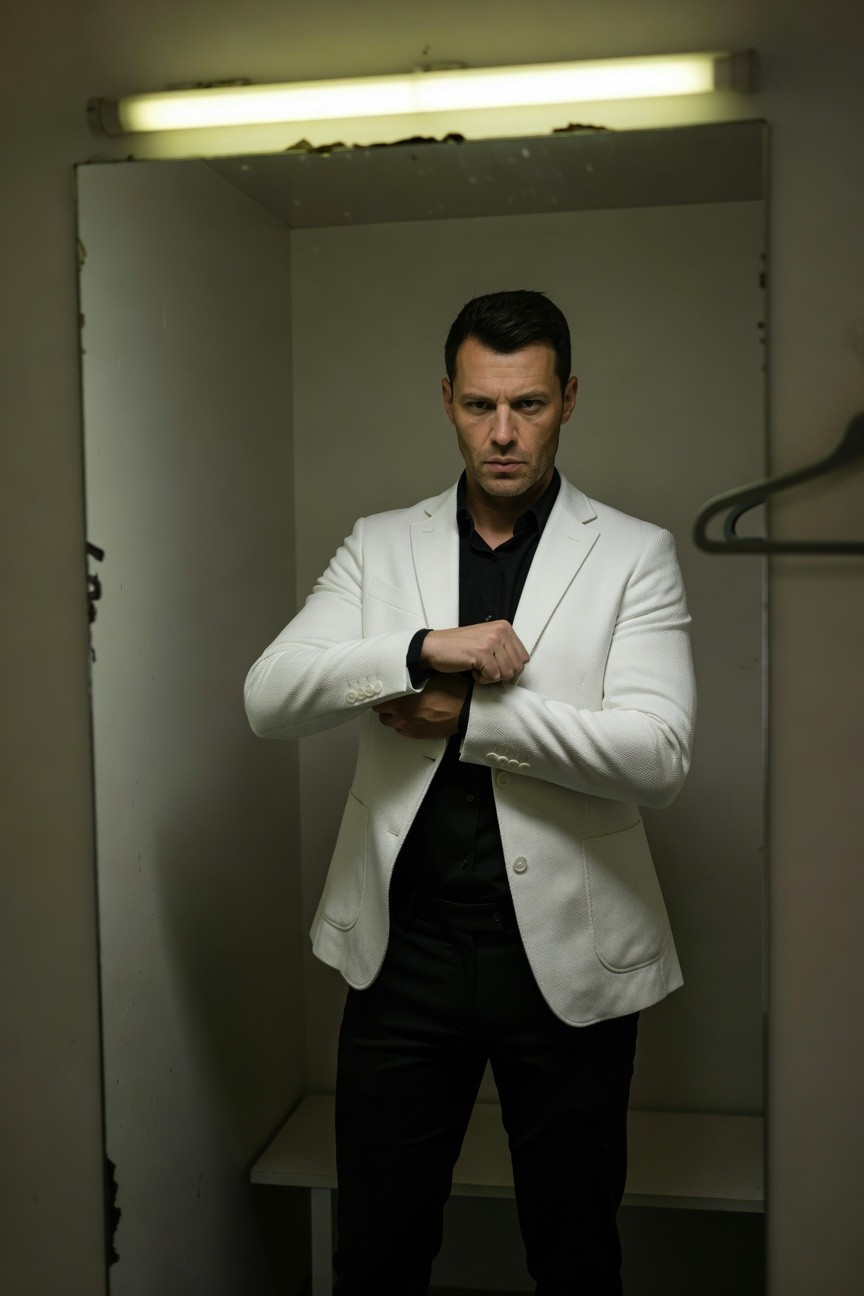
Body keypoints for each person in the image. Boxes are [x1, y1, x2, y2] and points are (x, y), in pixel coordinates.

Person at [244, 290, 696, 1295]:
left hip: (571, 967)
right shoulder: (378, 544)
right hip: (402, 957)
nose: (503, 433)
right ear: (447, 398)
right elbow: (269, 699)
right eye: (481, 404)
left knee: (575, 1254)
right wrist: (417, 651)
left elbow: (660, 754)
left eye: (528, 405)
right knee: (375, 1251)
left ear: (568, 400)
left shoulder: (633, 554)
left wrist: (476, 720)